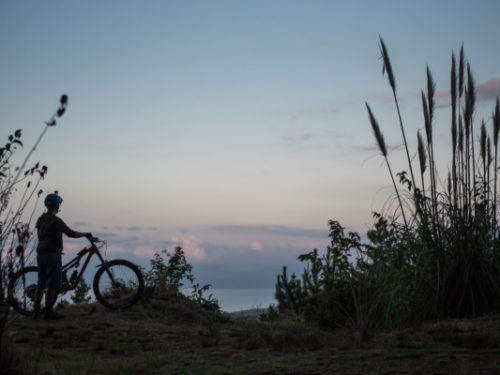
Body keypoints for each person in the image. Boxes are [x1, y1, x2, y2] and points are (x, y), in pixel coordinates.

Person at [33, 193, 94, 319]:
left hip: (40, 253)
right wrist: (85, 234)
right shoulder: (56, 221)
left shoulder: (40, 219)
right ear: (57, 205)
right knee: (52, 284)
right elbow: (70, 233)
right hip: (52, 254)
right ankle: (48, 312)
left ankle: (36, 311)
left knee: (41, 283)